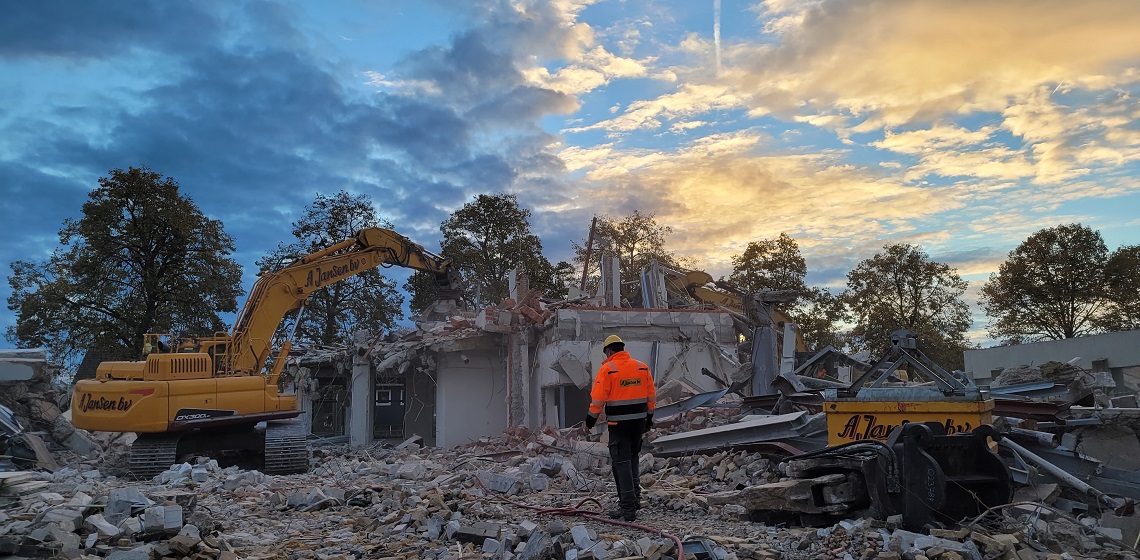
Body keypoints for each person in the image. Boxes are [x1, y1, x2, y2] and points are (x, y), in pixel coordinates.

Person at [584, 334, 656, 521]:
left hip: (619, 426)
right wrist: (649, 419)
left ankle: (628, 509)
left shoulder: (608, 370)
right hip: (638, 424)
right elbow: (651, 396)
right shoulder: (641, 367)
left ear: (609, 351)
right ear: (622, 348)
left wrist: (590, 421)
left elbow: (598, 400)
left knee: (621, 465)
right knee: (632, 460)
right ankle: (635, 500)